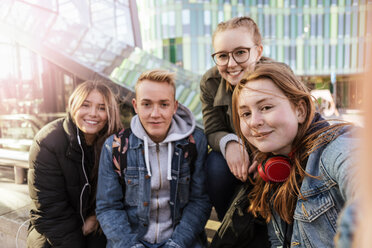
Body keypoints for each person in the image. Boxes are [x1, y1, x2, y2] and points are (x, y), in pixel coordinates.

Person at [231, 62, 357, 247]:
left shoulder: (334, 149)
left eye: (266, 107)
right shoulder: (275, 166)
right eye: (246, 113)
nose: (254, 122)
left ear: (300, 110)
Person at [96, 69, 211, 248]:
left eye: (164, 104)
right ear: (135, 106)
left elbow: (200, 202)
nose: (155, 114)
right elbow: (108, 207)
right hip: (130, 241)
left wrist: (176, 244)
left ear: (174, 106)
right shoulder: (116, 146)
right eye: (147, 104)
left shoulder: (195, 142)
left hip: (182, 241)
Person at [27, 81, 122, 247]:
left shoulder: (115, 143)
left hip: (96, 224)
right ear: (73, 105)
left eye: (101, 108)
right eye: (86, 105)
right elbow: (50, 211)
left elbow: (119, 198)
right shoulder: (48, 142)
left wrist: (96, 216)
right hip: (53, 229)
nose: (93, 113)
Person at [200, 16, 270, 220]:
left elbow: (294, 127)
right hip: (237, 154)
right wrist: (229, 143)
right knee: (215, 165)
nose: (231, 64)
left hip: (274, 149)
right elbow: (212, 128)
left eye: (240, 52)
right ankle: (231, 227)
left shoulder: (279, 76)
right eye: (222, 56)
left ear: (258, 52)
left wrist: (267, 152)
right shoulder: (211, 82)